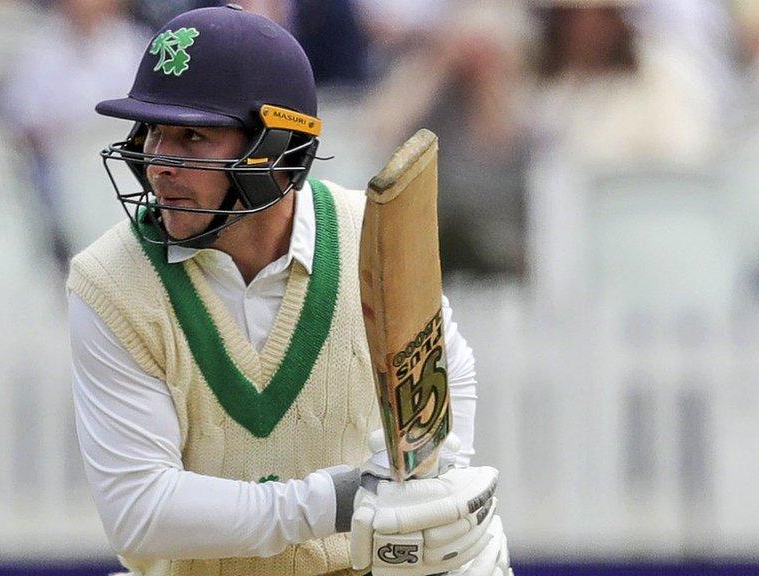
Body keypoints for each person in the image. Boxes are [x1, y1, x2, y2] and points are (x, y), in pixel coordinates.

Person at [66, 5, 512, 575]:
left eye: (192, 137)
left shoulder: (366, 238)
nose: (159, 163)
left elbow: (449, 360)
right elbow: (141, 512)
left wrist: (435, 477)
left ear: (276, 149)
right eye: (153, 131)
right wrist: (337, 501)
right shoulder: (109, 281)